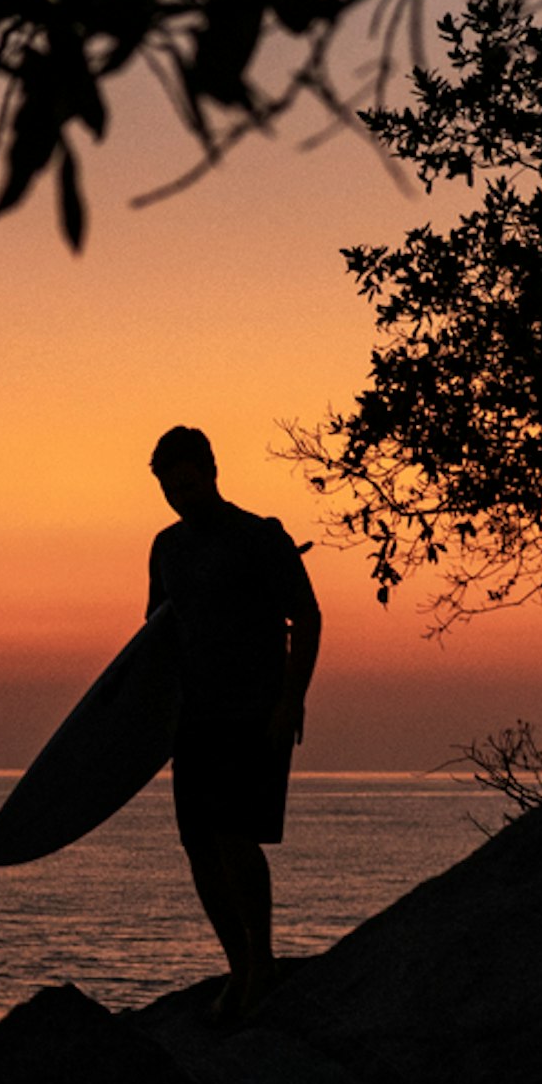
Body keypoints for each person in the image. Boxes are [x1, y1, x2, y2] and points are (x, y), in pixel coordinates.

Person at [147, 426, 322, 1022]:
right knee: (198, 846)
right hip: (192, 717)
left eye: (188, 483)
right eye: (170, 488)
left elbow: (307, 616)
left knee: (234, 836)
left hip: (254, 711)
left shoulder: (259, 537)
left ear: (211, 471)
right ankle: (241, 964)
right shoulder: (166, 549)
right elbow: (156, 637)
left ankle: (263, 962)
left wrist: (290, 700)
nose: (181, 496)